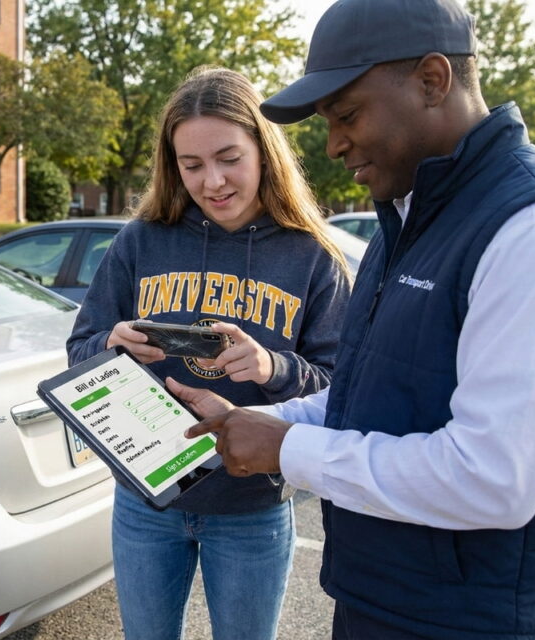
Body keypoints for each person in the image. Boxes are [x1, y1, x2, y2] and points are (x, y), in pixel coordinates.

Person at [174, 1, 535, 639]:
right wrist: (260, 422)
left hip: (477, 623)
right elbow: (376, 397)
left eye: (347, 115)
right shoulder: (411, 216)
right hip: (384, 601)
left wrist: (286, 448)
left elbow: (493, 477)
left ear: (432, 80)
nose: (333, 144)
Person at [66, 66, 351, 640]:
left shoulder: (311, 256)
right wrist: (110, 344)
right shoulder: (142, 240)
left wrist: (273, 368)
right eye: (191, 165)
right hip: (148, 499)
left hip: (252, 507)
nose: (212, 181)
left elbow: (343, 390)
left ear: (264, 151)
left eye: (229, 158)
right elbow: (80, 352)